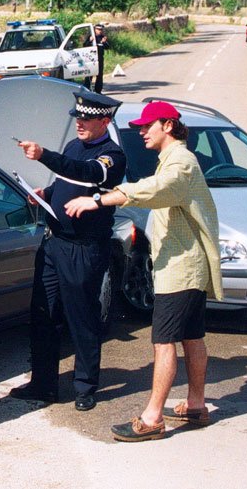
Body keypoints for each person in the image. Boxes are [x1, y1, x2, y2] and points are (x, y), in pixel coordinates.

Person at [65, 101, 222, 442]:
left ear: (167, 125)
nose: (140, 131)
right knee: (193, 337)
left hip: (180, 269)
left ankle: (152, 418)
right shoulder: (175, 160)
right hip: (186, 266)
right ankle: (196, 404)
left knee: (163, 342)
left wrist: (100, 199)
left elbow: (153, 190)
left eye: (147, 126)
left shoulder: (180, 163)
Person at [8, 89, 127, 412]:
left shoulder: (111, 155)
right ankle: (43, 383)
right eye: (77, 118)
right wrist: (45, 192)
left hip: (83, 248)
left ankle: (85, 386)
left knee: (82, 317)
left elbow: (88, 174)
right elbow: (66, 182)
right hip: (54, 243)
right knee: (43, 314)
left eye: (87, 119)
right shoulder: (75, 146)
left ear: (105, 120)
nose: (80, 124)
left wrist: (43, 154)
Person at [83, 24, 109, 93]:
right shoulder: (91, 37)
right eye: (98, 29)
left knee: (99, 75)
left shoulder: (103, 37)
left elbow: (107, 47)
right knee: (89, 75)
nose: (100, 31)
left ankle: (98, 91)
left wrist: (104, 42)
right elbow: (84, 45)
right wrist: (90, 40)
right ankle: (86, 90)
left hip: (100, 59)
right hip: (91, 59)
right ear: (95, 29)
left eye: (101, 30)